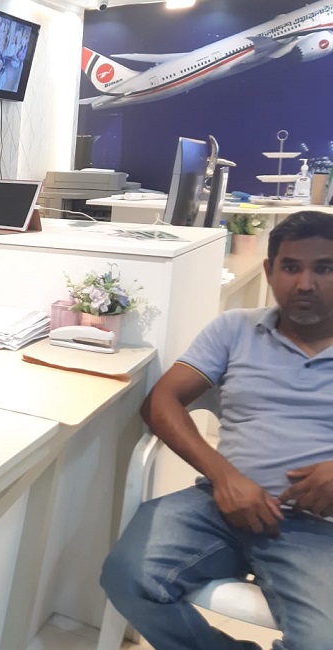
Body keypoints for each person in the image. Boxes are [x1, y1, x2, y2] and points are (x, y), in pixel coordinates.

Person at [101, 210, 333, 650]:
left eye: (324, 268)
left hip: (318, 527)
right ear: (269, 271)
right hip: (219, 506)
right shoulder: (234, 329)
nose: (305, 283)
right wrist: (225, 477)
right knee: (128, 576)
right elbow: (161, 402)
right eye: (291, 267)